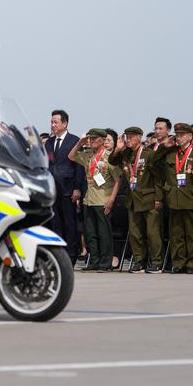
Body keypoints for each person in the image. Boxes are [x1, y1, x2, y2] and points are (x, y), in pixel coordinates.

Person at [109, 126, 167, 273]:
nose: (128, 139)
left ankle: (156, 262)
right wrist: (117, 149)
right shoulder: (126, 153)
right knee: (135, 233)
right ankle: (139, 261)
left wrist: (159, 198)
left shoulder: (149, 154)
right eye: (126, 136)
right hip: (133, 199)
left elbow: (158, 178)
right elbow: (112, 161)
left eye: (131, 136)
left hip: (149, 198)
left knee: (152, 233)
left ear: (139, 137)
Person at [68, 128, 122, 272]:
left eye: (94, 139)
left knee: (104, 233)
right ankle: (94, 261)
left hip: (103, 199)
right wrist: (79, 144)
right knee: (90, 233)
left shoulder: (109, 157)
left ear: (102, 140)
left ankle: (105, 263)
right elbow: (71, 156)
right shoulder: (88, 155)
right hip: (89, 199)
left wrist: (111, 200)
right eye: (90, 139)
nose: (91, 141)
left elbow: (118, 180)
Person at [158, 123, 193, 273]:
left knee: (192, 234)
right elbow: (154, 162)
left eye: (181, 135)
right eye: (177, 135)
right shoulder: (171, 153)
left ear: (190, 136)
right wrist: (163, 147)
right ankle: (179, 263)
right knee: (176, 234)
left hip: (191, 197)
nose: (178, 138)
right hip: (174, 198)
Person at [46, 109, 85, 264]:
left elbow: (79, 166)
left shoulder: (75, 141)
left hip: (68, 190)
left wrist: (77, 188)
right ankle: (58, 256)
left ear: (65, 123)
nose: (53, 125)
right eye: (51, 122)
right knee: (55, 224)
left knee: (70, 224)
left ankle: (71, 256)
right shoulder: (49, 143)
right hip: (52, 190)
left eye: (55, 122)